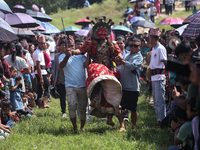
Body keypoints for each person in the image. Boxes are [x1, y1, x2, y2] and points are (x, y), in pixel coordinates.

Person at [73, 18, 123, 129]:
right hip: (96, 71)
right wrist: (72, 52)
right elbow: (81, 50)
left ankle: (115, 121)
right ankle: (94, 99)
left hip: (108, 70)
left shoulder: (112, 44)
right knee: (98, 85)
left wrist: (119, 57)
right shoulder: (91, 44)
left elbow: (119, 53)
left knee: (111, 94)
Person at [59, 36, 88, 133]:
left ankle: (82, 127)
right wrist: (67, 56)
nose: (70, 47)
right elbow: (61, 66)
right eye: (68, 46)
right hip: (70, 85)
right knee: (71, 105)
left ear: (75, 46)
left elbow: (87, 66)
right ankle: (75, 127)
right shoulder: (62, 56)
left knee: (82, 107)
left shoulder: (81, 56)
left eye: (72, 45)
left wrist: (89, 54)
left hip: (82, 85)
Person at [117, 38, 143, 131]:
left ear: (139, 47)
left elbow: (132, 66)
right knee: (120, 107)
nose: (133, 48)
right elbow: (120, 66)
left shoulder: (139, 57)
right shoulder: (127, 55)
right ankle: (122, 126)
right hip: (123, 86)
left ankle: (134, 126)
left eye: (135, 46)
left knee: (133, 108)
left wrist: (122, 61)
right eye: (131, 45)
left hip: (132, 87)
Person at [149, 28, 167, 128]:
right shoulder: (154, 48)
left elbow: (165, 63)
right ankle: (159, 120)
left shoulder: (160, 48)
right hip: (154, 77)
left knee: (160, 101)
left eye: (150, 37)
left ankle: (162, 121)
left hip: (159, 77)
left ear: (153, 38)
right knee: (156, 101)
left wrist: (167, 77)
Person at [33, 35, 50, 108]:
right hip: (40, 72)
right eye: (42, 43)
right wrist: (41, 77)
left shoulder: (41, 52)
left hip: (43, 71)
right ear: (39, 43)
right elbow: (38, 66)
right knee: (42, 87)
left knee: (45, 87)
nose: (43, 45)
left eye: (44, 43)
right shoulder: (37, 53)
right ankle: (41, 104)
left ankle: (43, 103)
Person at [52, 39, 67, 118]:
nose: (63, 47)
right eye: (62, 45)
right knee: (62, 96)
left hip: (69, 79)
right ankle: (63, 111)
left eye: (65, 45)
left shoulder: (71, 55)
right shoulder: (57, 56)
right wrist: (54, 79)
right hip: (60, 79)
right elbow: (55, 68)